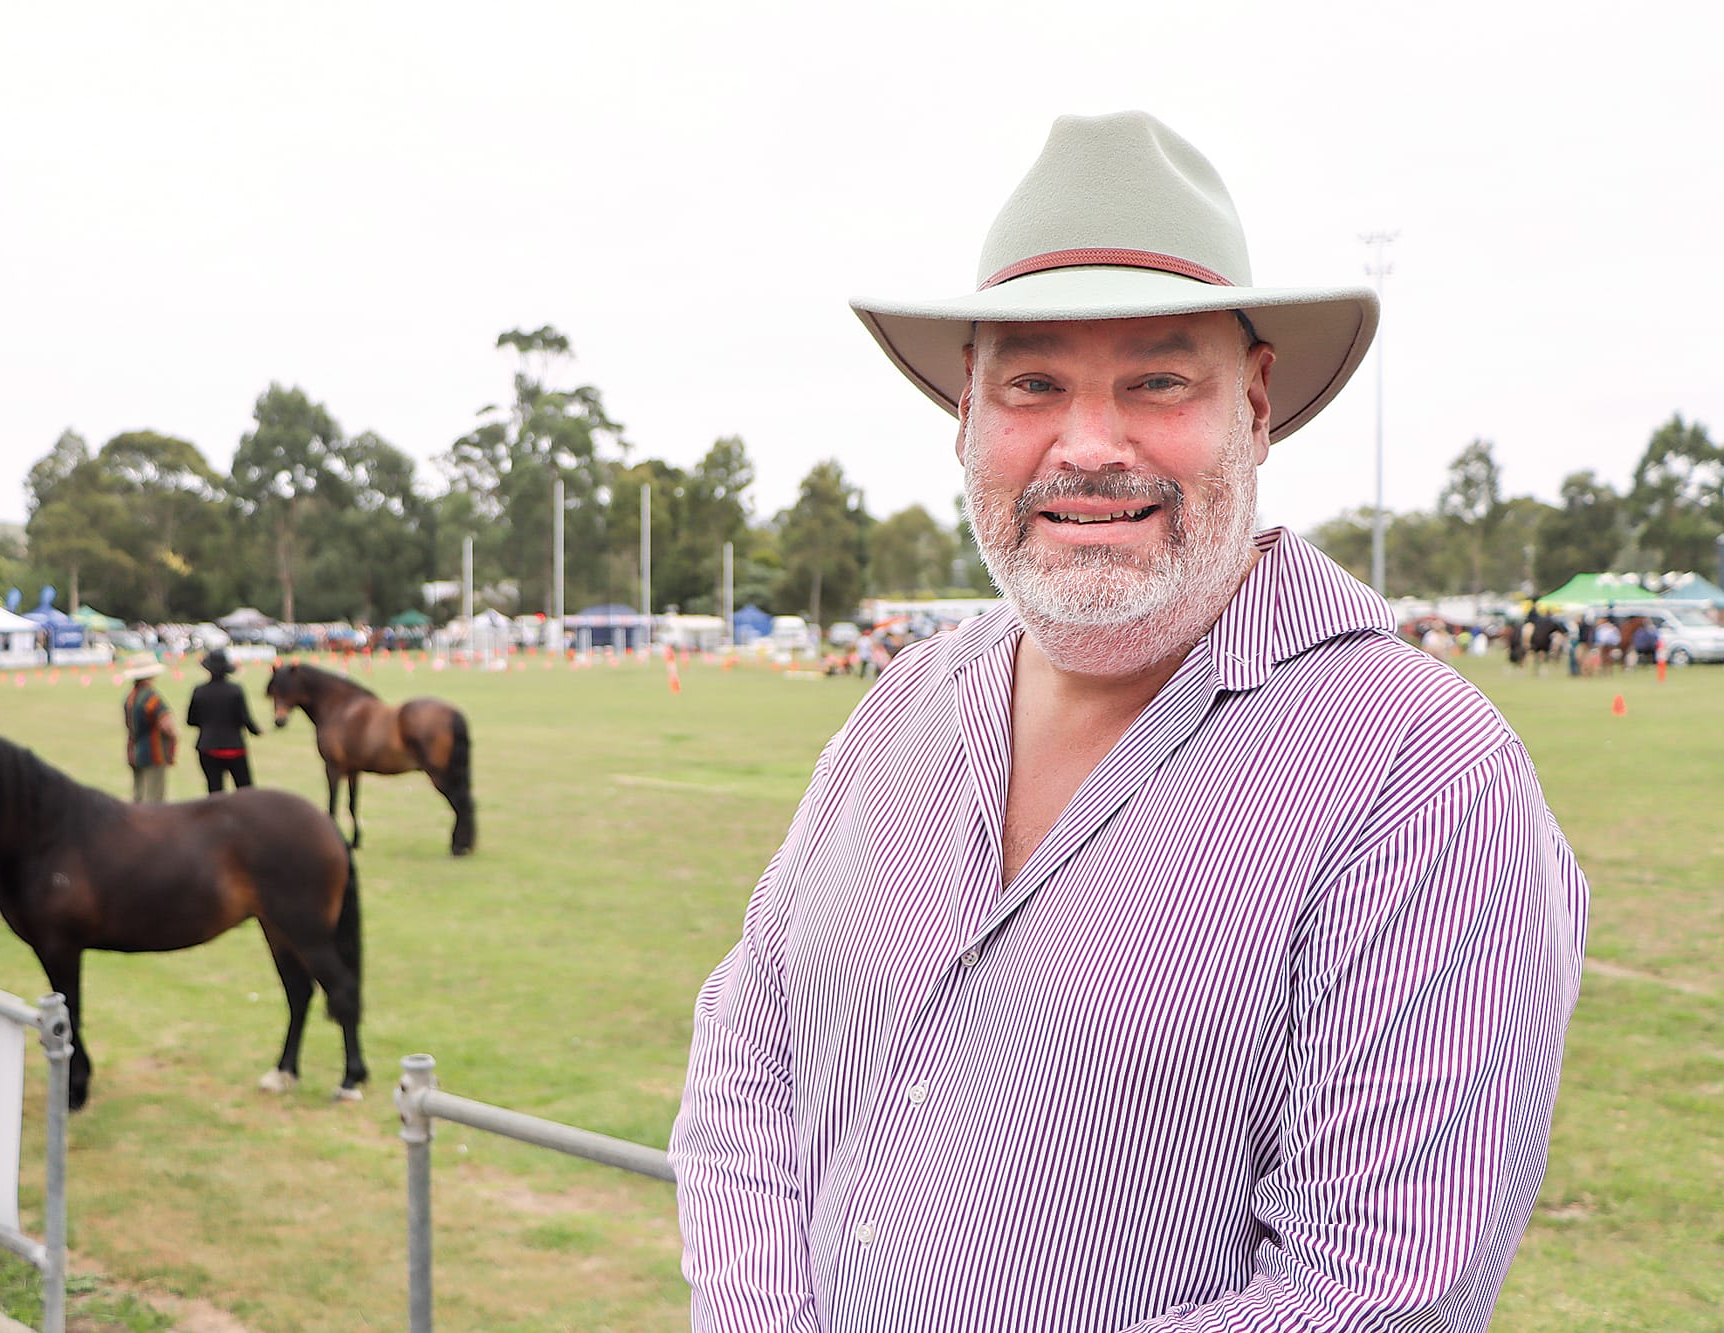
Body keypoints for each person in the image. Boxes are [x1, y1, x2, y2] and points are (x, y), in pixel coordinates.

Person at [668, 112, 1589, 1333]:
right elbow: (747, 1057)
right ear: (965, 414)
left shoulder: (1419, 774)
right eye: (1033, 383)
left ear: (1252, 406)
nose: (1088, 445)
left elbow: (1369, 1298)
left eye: (1156, 381)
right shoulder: (906, 699)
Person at [185, 647, 262, 793]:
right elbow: (245, 718)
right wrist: (256, 730)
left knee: (215, 792)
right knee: (245, 791)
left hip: (208, 747)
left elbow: (191, 720)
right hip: (234, 747)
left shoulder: (199, 691)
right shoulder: (236, 690)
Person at [120, 653, 177, 803]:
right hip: (153, 752)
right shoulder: (151, 698)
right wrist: (174, 736)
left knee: (138, 795)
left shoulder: (130, 697)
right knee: (154, 797)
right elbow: (166, 723)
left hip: (134, 749)